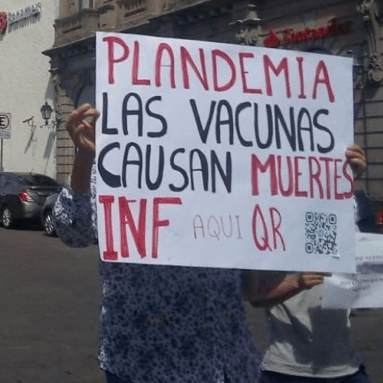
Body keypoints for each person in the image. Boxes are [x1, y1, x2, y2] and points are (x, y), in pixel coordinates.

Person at [52, 103, 262, 383]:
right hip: (141, 363)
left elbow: (255, 284)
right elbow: (72, 231)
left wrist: (338, 180)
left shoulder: (236, 171)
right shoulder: (117, 167)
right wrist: (85, 158)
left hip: (226, 362)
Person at [244, 145, 372, 383]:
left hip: (347, 368)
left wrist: (347, 176)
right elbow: (255, 296)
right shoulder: (272, 232)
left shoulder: (342, 220)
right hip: (286, 372)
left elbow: (362, 295)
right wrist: (297, 282)